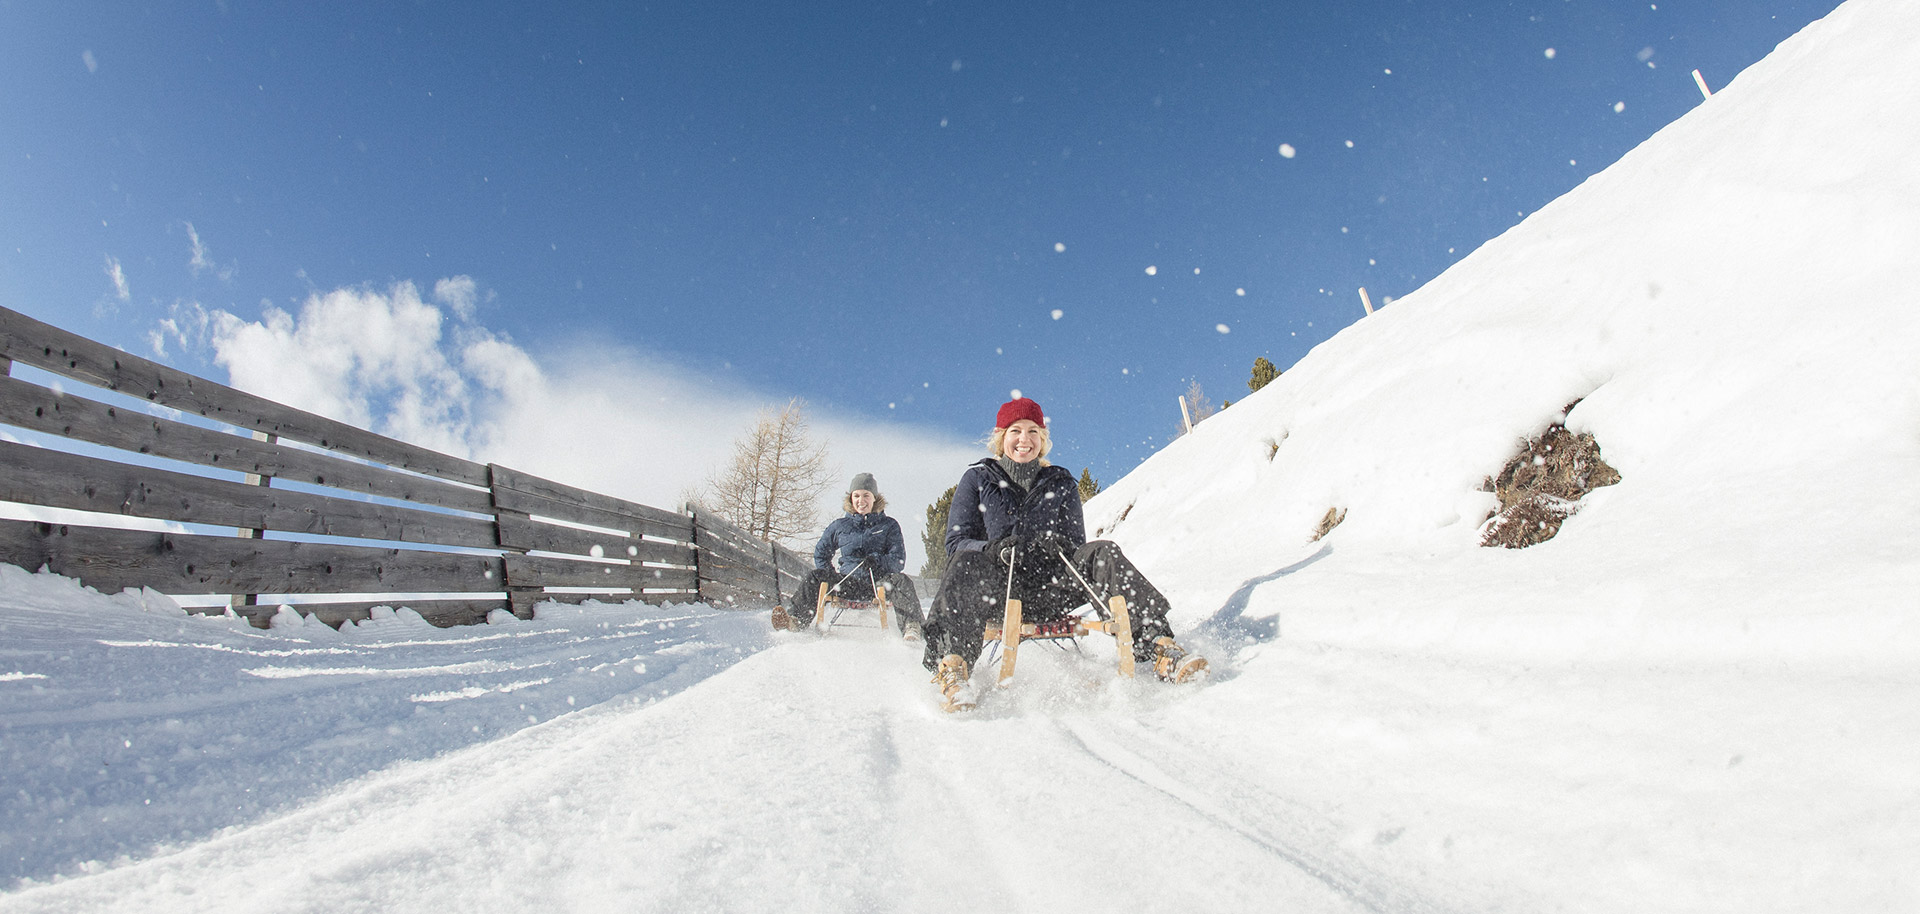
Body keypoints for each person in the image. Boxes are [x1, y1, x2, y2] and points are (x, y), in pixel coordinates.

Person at [923, 397, 1205, 711]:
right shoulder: (978, 479)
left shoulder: (1060, 482)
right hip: (999, 593)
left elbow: (1076, 545)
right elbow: (957, 543)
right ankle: (953, 667)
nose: (1024, 439)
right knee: (966, 561)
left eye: (1033, 431)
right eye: (1016, 430)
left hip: (1053, 588)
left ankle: (1160, 647)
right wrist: (991, 549)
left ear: (1042, 439)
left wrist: (1058, 545)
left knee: (1104, 553)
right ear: (1001, 437)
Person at [772, 472, 925, 640]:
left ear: (875, 498)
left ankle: (912, 627)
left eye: (866, 495)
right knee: (815, 577)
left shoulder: (888, 525)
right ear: (851, 498)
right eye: (856, 495)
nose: (861, 500)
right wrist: (829, 574)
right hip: (846, 583)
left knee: (902, 581)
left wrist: (877, 561)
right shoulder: (840, 526)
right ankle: (795, 621)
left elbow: (898, 559)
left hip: (878, 585)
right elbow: (821, 553)